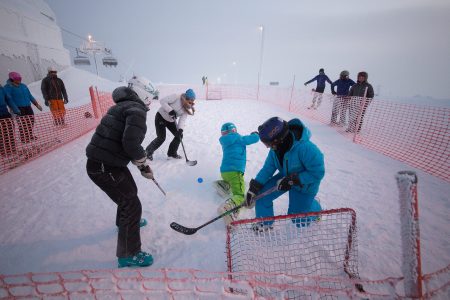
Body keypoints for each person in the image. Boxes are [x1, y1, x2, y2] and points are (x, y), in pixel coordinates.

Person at [86, 85, 154, 268]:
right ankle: (128, 253)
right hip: (104, 166)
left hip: (106, 162)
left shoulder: (120, 108)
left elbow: (123, 142)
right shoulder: (136, 110)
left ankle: (125, 223)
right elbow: (130, 143)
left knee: (129, 193)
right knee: (130, 204)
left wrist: (141, 166)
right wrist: (143, 163)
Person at [244, 117, 324, 232]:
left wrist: (293, 180)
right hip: (285, 176)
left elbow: (318, 172)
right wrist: (254, 187)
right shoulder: (276, 149)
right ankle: (265, 223)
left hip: (305, 184)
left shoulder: (306, 148)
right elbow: (268, 168)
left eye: (268, 143)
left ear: (278, 139)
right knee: (261, 195)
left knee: (298, 220)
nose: (267, 146)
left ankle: (315, 209)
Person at [217, 122, 260, 225]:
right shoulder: (239, 138)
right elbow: (253, 139)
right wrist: (255, 134)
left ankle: (223, 186)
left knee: (230, 182)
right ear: (234, 130)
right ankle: (228, 207)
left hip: (224, 171)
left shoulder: (225, 142)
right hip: (235, 171)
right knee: (239, 195)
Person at [145, 88, 196, 160]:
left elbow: (182, 120)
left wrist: (180, 129)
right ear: (186, 97)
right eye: (190, 99)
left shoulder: (186, 108)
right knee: (161, 137)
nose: (190, 102)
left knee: (179, 136)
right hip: (161, 116)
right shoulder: (176, 96)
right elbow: (162, 101)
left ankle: (172, 153)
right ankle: (148, 152)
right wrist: (170, 110)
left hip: (171, 121)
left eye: (192, 101)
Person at [4, 72, 43, 143]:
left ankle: (29, 135)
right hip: (18, 108)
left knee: (31, 121)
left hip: (27, 106)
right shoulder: (8, 87)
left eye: (20, 78)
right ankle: (24, 138)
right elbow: (9, 99)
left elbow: (30, 96)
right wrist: (15, 109)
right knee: (22, 123)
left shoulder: (23, 86)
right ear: (12, 79)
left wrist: (36, 104)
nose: (19, 80)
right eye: (17, 79)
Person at [0, 84, 20, 157]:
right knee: (1, 134)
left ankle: (12, 148)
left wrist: (16, 109)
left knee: (9, 130)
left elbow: (9, 100)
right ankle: (3, 151)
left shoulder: (2, 89)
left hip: (5, 112)